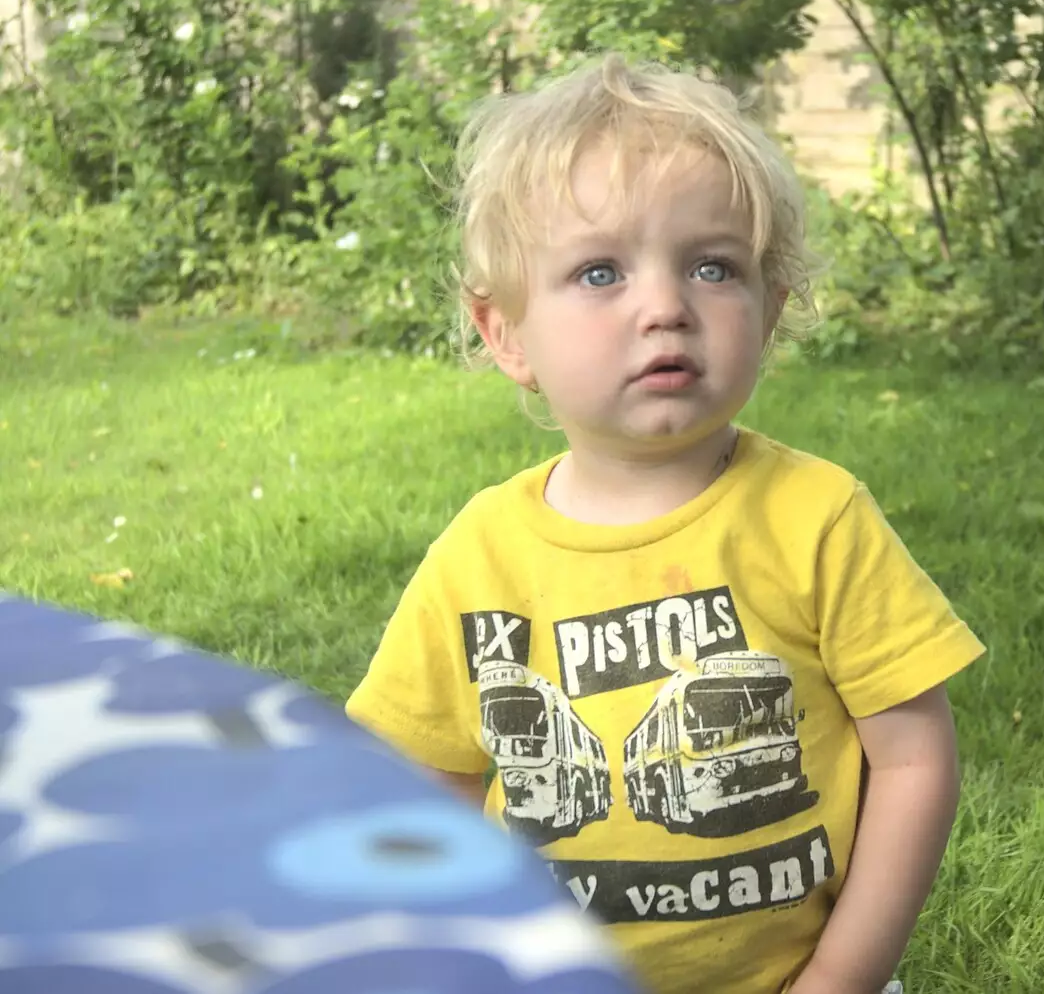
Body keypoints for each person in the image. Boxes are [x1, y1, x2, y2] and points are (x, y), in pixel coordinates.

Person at [345, 53, 986, 994]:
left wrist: (840, 979)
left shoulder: (816, 517)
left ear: (768, 311)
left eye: (714, 267)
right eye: (600, 271)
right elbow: (422, 785)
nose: (665, 307)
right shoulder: (478, 556)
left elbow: (915, 758)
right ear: (507, 333)